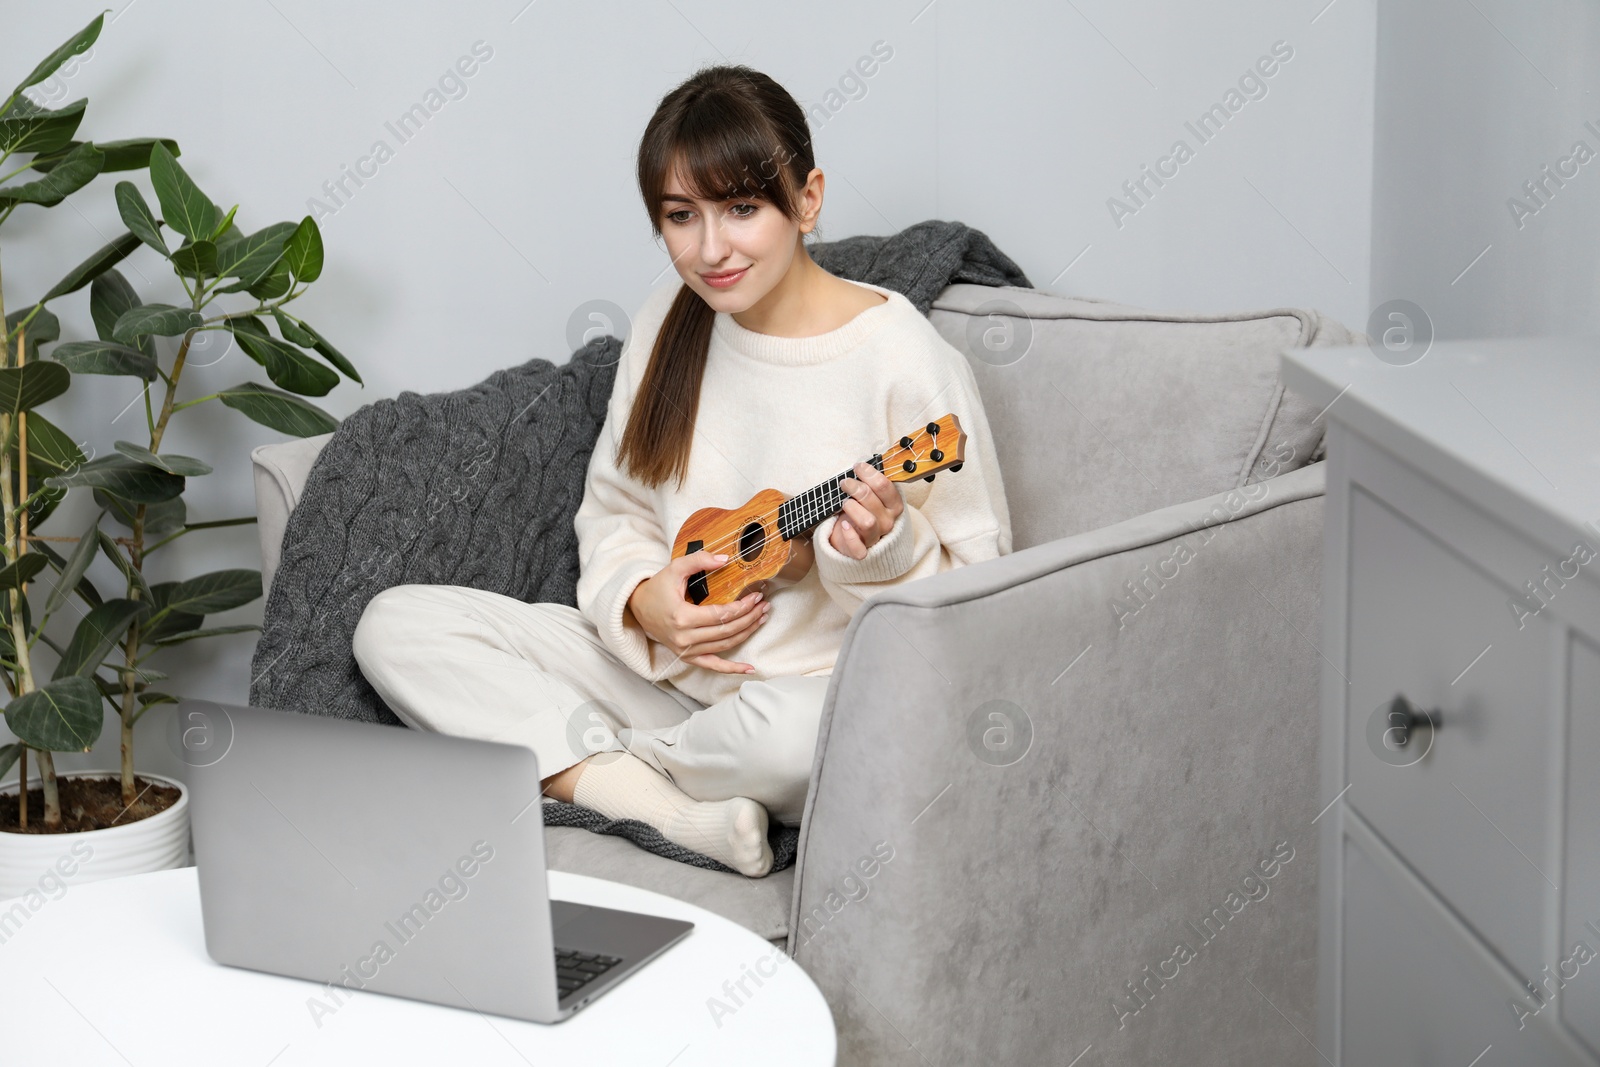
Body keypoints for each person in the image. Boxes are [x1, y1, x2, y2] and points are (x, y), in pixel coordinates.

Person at [351, 64, 1012, 877]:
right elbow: (616, 509)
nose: (710, 249)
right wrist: (641, 600)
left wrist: (882, 548)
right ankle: (654, 798)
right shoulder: (669, 322)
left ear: (808, 200)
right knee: (395, 623)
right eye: (680, 216)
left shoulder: (902, 357)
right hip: (662, 674)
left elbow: (981, 605)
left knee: (808, 735)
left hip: (792, 704)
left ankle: (592, 763)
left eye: (741, 208)